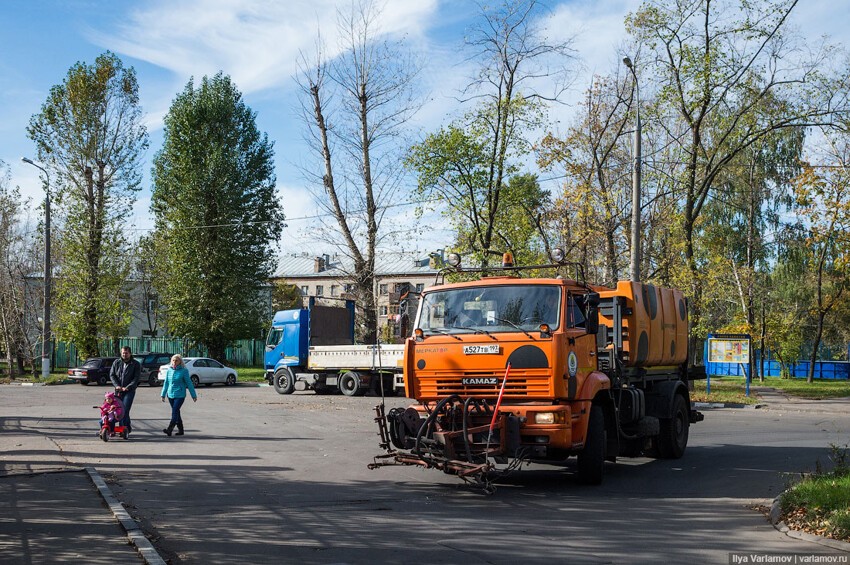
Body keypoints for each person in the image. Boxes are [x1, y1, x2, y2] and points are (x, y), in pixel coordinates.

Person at [160, 354, 197, 436]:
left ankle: (170, 429)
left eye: (176, 360)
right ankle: (181, 430)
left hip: (180, 395)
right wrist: (163, 394)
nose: (174, 362)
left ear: (180, 361)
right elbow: (166, 383)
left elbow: (189, 383)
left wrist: (193, 395)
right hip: (170, 395)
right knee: (177, 412)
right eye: (173, 360)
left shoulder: (184, 371)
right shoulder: (169, 370)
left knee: (175, 411)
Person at [110, 346, 141, 435]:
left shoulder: (135, 364)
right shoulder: (116, 362)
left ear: (130, 353)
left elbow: (136, 378)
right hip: (118, 390)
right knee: (118, 409)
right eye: (123, 353)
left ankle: (122, 428)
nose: (124, 354)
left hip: (129, 390)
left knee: (125, 409)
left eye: (126, 353)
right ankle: (127, 427)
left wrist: (128, 386)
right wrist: (117, 386)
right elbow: (112, 375)